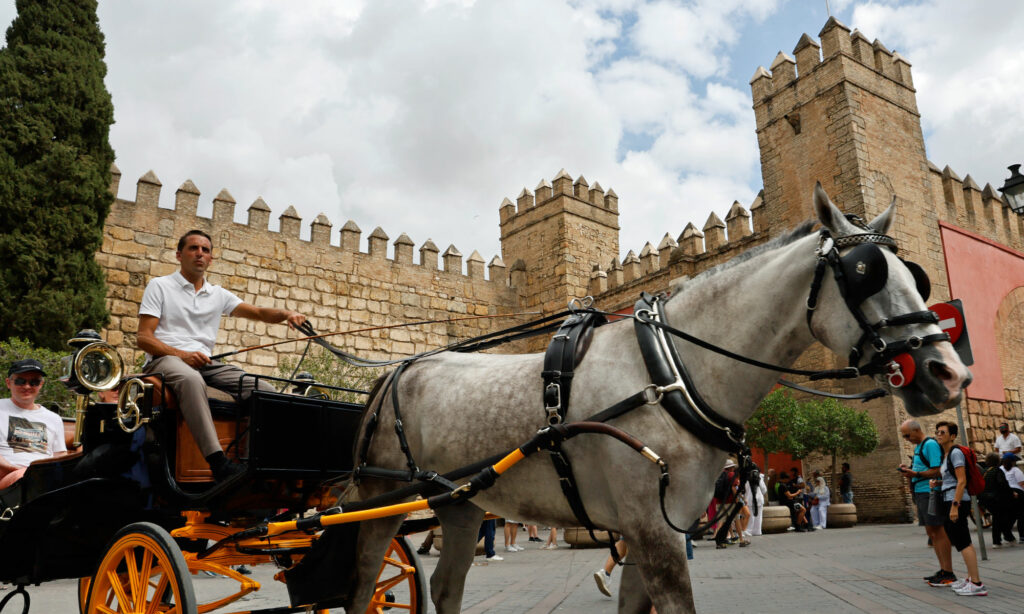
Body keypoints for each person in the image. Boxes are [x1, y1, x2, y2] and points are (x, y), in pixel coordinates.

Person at [137, 230, 307, 482]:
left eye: (205, 250)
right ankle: (218, 462)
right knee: (191, 380)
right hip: (165, 360)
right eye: (193, 248)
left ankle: (253, 462)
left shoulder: (217, 294)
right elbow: (144, 338)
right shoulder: (160, 286)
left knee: (265, 391)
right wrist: (182, 355)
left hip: (205, 363)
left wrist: (287, 313)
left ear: (211, 259)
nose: (200, 254)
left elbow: (259, 312)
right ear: (179, 255)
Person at [931, 421, 987, 596]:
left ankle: (977, 583)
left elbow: (961, 481)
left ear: (953, 436)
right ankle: (971, 578)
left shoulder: (955, 453)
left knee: (963, 542)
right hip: (951, 499)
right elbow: (953, 480)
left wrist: (955, 506)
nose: (939, 435)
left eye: (943, 432)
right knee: (961, 540)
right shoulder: (947, 454)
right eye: (937, 432)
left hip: (957, 501)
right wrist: (939, 483)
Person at [897, 419, 954, 586]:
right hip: (922, 492)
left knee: (938, 531)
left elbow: (937, 470)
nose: (906, 438)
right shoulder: (919, 447)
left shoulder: (929, 444)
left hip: (930, 493)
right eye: (904, 436)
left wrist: (915, 474)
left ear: (916, 431)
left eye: (907, 435)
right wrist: (908, 469)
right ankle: (943, 570)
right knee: (932, 533)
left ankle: (948, 572)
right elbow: (922, 468)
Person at [0, 360, 67, 489]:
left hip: (44, 479)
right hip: (8, 477)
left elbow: (60, 457)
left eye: (34, 382)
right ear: (8, 383)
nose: (27, 387)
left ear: (41, 384)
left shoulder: (54, 419)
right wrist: (22, 471)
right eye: (20, 381)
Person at [978, 452, 1015, 548]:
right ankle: (1000, 540)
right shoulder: (997, 471)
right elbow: (1003, 484)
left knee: (998, 518)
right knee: (1001, 518)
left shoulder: (985, 471)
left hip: (986, 499)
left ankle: (1006, 538)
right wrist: (1012, 493)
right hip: (996, 499)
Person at [1000, 452, 1024, 542]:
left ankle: (1007, 534)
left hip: (1005, 494)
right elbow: (1021, 483)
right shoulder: (1015, 470)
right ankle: (1022, 536)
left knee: (1010, 515)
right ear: (1013, 462)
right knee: (1021, 515)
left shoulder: (1000, 469)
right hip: (1017, 492)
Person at [744, 466, 767, 536]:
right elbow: (764, 490)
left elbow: (744, 490)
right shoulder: (759, 479)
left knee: (750, 515)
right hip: (759, 499)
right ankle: (757, 531)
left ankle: (749, 530)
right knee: (759, 516)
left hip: (749, 499)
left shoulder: (746, 479)